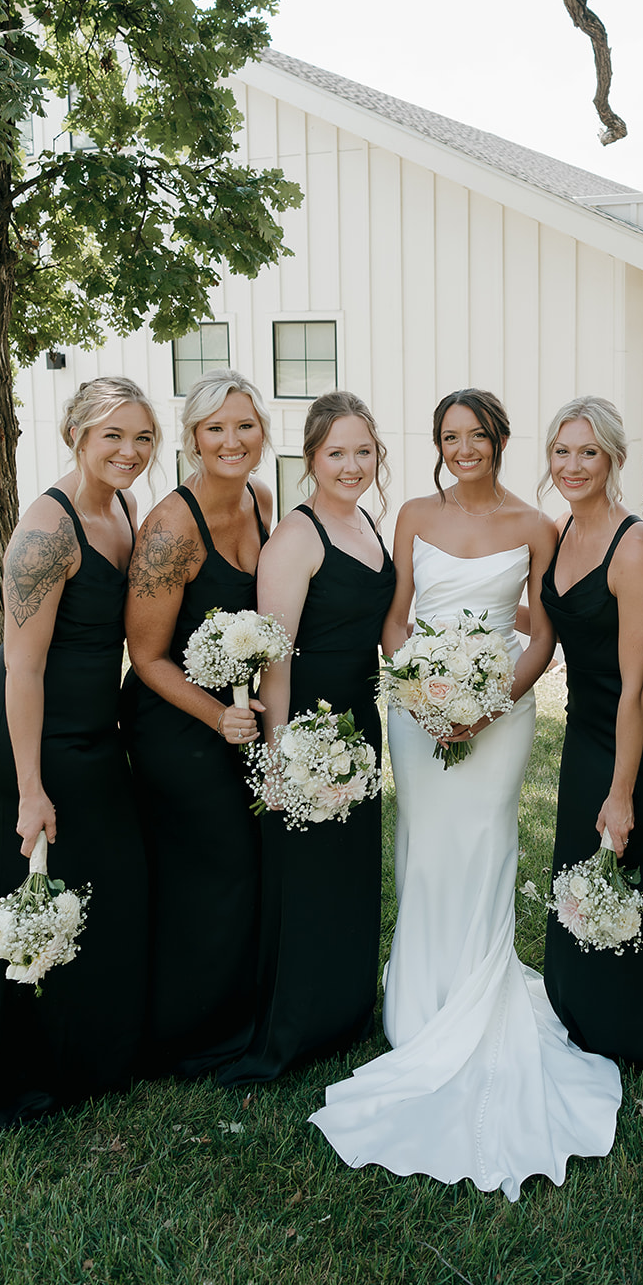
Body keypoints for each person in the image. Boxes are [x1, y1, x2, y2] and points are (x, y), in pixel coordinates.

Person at [310, 389, 621, 1201]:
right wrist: (422, 692)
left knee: (482, 843)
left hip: (502, 710)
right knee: (422, 846)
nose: (461, 448)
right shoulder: (411, 512)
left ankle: (478, 992)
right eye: (448, 436)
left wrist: (491, 699)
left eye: (476, 435)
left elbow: (546, 630)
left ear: (501, 439)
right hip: (417, 710)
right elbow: (394, 614)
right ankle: (417, 1005)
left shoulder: (533, 525)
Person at [0, 378, 159, 1126]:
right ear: (76, 436)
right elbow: (23, 666)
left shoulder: (123, 507)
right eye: (113, 437)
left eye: (142, 438)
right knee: (29, 894)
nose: (129, 452)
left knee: (110, 886)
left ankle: (90, 1055)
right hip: (31, 736)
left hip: (95, 732)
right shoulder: (47, 528)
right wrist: (31, 789)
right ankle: (11, 1076)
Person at [219, 392, 396, 1084]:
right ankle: (294, 1025)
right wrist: (277, 755)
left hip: (359, 721)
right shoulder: (297, 536)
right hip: (307, 731)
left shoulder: (365, 523)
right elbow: (276, 655)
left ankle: (342, 1014)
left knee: (348, 875)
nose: (351, 466)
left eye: (363, 451)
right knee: (305, 881)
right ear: (310, 458)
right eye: (336, 453)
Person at [122, 368, 272, 1077]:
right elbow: (147, 656)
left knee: (243, 864)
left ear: (261, 434)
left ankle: (233, 1012)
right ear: (192, 440)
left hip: (237, 718)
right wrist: (219, 718)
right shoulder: (169, 528)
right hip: (177, 721)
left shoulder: (263, 502)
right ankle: (186, 1036)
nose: (231, 440)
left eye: (244, 425)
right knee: (217, 866)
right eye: (215, 428)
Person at [538, 396, 643, 1066]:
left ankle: (627, 1033)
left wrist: (621, 791)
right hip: (579, 732)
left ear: (614, 459)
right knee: (577, 874)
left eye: (587, 452)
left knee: (617, 868)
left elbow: (638, 686)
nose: (572, 465)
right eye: (561, 451)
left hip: (631, 739)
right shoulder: (559, 533)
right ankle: (576, 1013)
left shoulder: (633, 546)